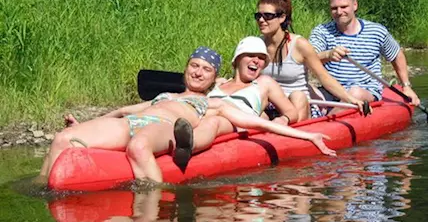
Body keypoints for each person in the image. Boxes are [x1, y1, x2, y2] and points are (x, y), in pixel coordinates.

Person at [38, 43, 335, 185]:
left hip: (166, 127)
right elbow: (122, 111)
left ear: (214, 78)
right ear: (186, 69)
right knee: (64, 138)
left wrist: (308, 134)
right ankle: (41, 190)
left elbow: (257, 123)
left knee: (138, 147)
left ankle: (160, 205)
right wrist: (85, 125)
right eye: (194, 65)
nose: (198, 72)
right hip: (136, 120)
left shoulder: (213, 103)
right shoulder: (166, 95)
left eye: (206, 70)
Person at [255, 0, 366, 121]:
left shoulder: (299, 44)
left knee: (298, 96)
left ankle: (296, 133)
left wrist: (350, 99)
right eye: (258, 16)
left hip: (298, 106)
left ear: (282, 18)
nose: (261, 20)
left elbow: (324, 77)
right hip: (269, 107)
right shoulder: (257, 44)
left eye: (267, 16)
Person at [309, 0, 420, 106]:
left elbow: (396, 55)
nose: (339, 12)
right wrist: (328, 54)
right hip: (330, 91)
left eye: (344, 7)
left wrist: (406, 86)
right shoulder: (321, 31)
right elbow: (309, 57)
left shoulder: (376, 31)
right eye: (334, 8)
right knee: (300, 93)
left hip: (364, 91)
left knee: (355, 93)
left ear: (355, 5)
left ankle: (328, 119)